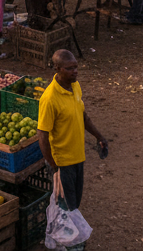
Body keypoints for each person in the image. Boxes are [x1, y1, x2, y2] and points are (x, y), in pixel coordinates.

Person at [38, 49, 107, 247]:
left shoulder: (75, 87)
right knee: (65, 207)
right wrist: (53, 164)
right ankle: (66, 243)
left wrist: (100, 136)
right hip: (63, 162)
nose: (75, 71)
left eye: (76, 67)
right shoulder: (50, 98)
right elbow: (42, 135)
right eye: (70, 69)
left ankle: (71, 240)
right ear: (58, 69)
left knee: (74, 204)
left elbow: (83, 116)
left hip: (78, 158)